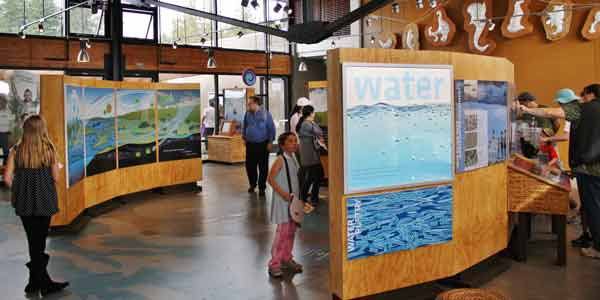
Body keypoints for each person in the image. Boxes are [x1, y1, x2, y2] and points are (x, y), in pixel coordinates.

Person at [520, 86, 600, 258]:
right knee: (592, 206)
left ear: (591, 95)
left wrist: (526, 109)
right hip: (595, 166)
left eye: (584, 94)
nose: (582, 98)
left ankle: (597, 247)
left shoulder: (582, 108)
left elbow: (551, 113)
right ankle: (590, 238)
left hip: (588, 168)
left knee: (593, 207)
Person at [3, 115, 69, 296]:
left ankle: (34, 283)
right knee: (39, 243)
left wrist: (20, 187)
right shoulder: (49, 150)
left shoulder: (16, 150)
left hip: (24, 202)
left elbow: (7, 179)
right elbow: (56, 177)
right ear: (42, 130)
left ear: (25, 129)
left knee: (34, 242)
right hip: (45, 201)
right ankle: (44, 284)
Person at [267, 132, 303, 278]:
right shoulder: (280, 160)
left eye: (295, 141)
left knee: (291, 232)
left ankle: (286, 258)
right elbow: (270, 179)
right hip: (283, 203)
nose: (294, 143)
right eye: (290, 141)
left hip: (293, 203)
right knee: (282, 233)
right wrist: (283, 194)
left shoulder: (293, 158)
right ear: (282, 145)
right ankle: (274, 264)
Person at [243, 96, 276, 196]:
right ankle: (252, 184)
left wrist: (270, 142)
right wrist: (244, 137)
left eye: (250, 104)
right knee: (250, 166)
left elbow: (271, 128)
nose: (248, 105)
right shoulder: (247, 114)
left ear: (256, 104)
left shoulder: (266, 114)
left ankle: (262, 187)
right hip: (250, 144)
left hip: (263, 144)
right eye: (248, 104)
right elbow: (245, 126)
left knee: (263, 166)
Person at [297, 105, 324, 208]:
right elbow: (319, 132)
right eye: (314, 112)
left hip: (310, 155)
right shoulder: (307, 124)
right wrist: (314, 123)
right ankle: (311, 197)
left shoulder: (306, 123)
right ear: (311, 113)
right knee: (317, 175)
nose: (315, 114)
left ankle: (306, 197)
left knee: (313, 176)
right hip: (311, 156)